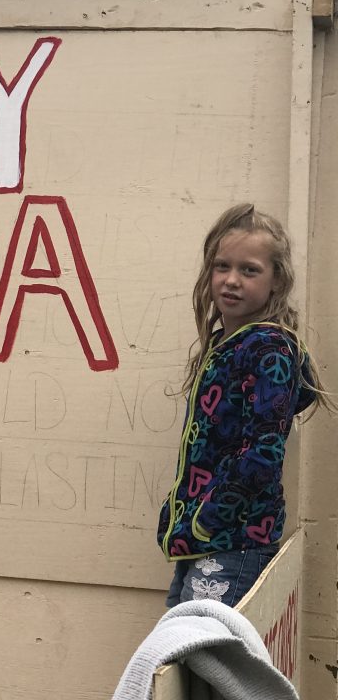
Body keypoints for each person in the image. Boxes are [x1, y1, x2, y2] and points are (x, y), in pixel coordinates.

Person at [158, 203, 331, 607]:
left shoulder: (271, 350)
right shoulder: (226, 344)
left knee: (203, 660)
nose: (231, 280)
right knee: (179, 660)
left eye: (249, 270)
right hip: (200, 540)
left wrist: (207, 520)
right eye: (222, 267)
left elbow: (263, 453)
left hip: (233, 543)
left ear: (277, 280)